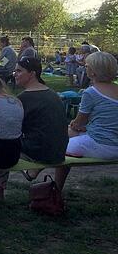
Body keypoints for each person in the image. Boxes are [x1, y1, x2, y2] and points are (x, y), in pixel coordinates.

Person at [51, 52, 118, 192]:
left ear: (93, 72)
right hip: (113, 142)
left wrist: (75, 126)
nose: (85, 68)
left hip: (101, 145)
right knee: (69, 133)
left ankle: (55, 188)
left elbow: (79, 122)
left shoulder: (91, 93)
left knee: (58, 143)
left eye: (87, 66)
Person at [12, 57, 69, 187]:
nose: (15, 74)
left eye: (19, 71)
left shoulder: (24, 98)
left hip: (39, 152)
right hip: (58, 151)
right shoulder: (52, 94)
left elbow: (12, 129)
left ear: (32, 74)